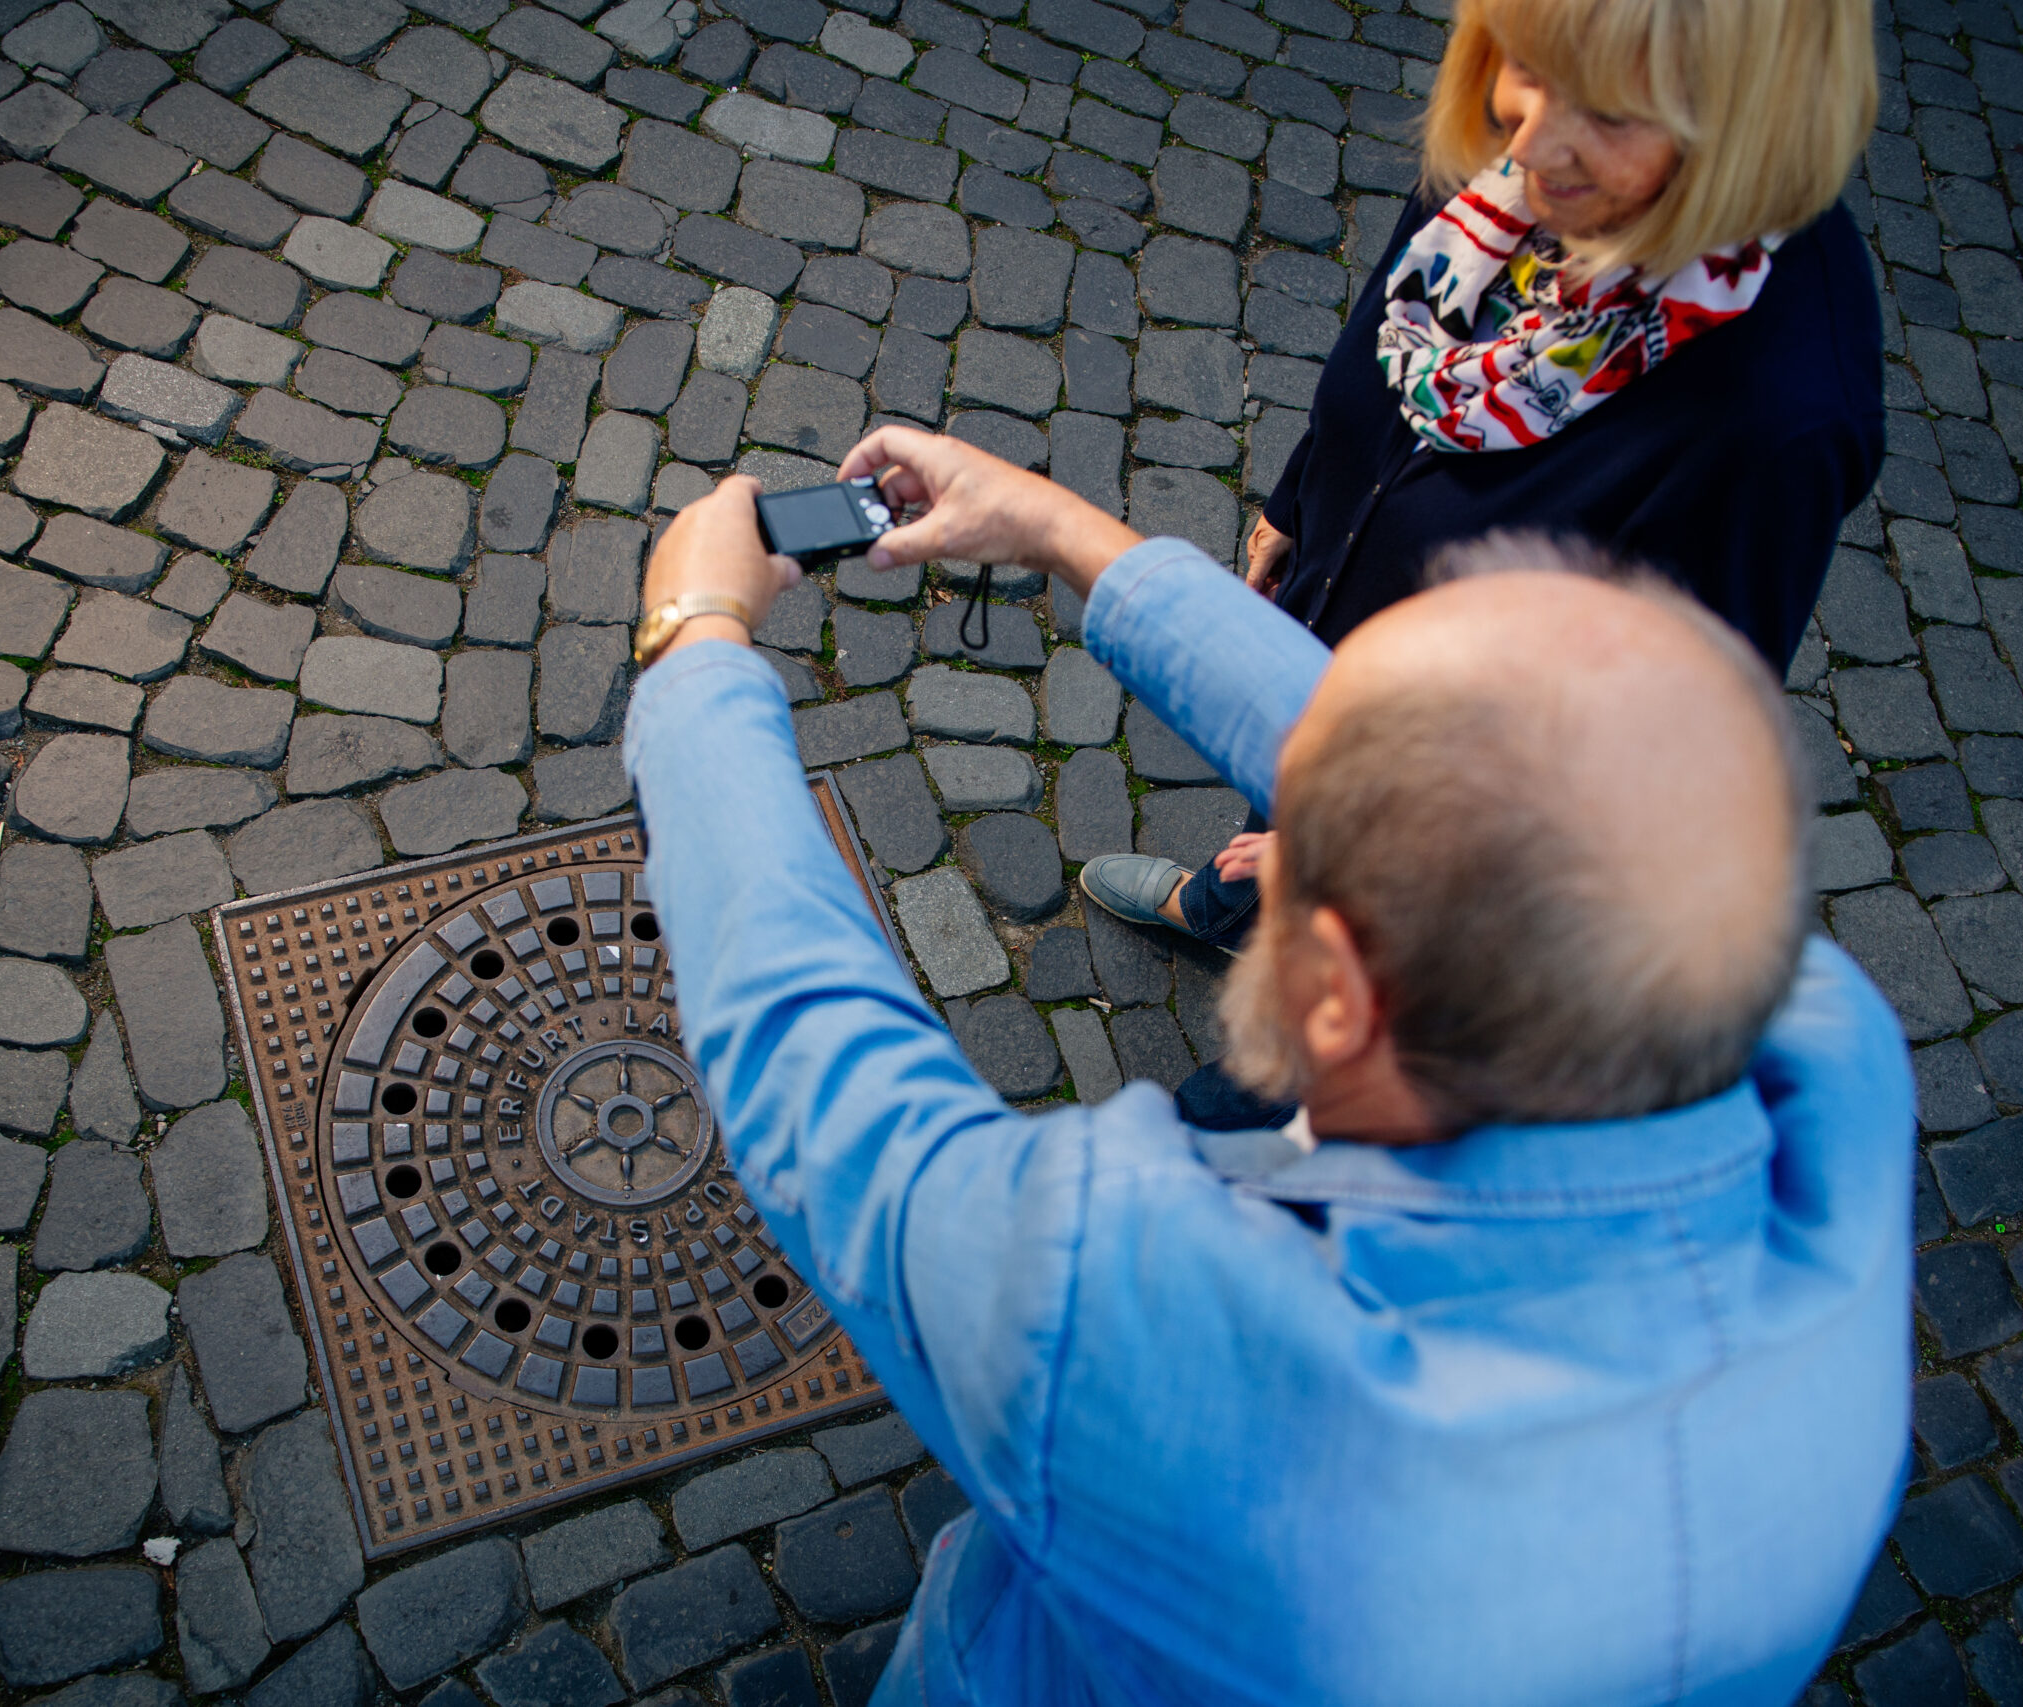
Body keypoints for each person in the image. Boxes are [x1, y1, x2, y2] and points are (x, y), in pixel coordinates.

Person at [619, 429, 1912, 1706]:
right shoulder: (1829, 1057)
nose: (1269, 837)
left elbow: (823, 1082)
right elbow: (1440, 779)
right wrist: (1063, 532)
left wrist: (695, 642)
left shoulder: (1168, 1333)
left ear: (1339, 997)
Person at [1079, 0, 1885, 1011]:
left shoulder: (1778, 419)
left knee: (1324, 1042)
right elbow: (1385, 330)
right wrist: (1303, 497)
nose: (1529, 138)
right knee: (1280, 811)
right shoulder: (1522, 164)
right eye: (1525, 65)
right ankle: (1234, 909)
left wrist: (1386, 858)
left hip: (1443, 828)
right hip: (1338, 643)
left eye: (1612, 110)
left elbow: (1637, 771)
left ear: (1749, 117)